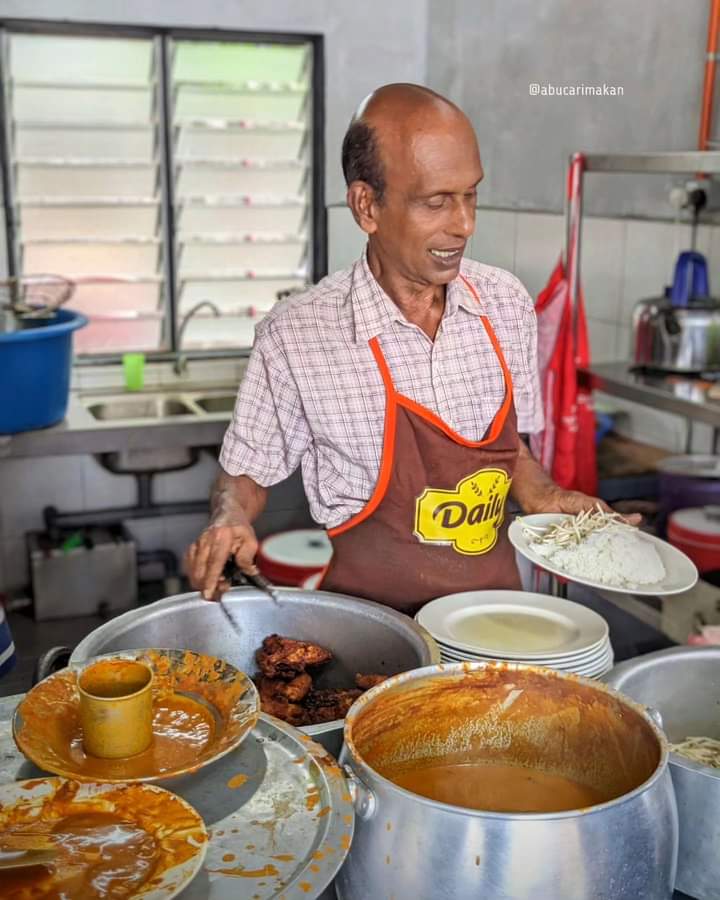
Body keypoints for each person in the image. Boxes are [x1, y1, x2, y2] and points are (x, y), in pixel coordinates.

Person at [185, 83, 610, 614]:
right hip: (375, 638)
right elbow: (247, 471)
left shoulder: (506, 304)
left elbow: (510, 451)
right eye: (436, 202)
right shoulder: (298, 336)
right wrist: (230, 517)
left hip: (497, 623)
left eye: (470, 195)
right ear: (367, 206)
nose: (464, 224)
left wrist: (543, 495)